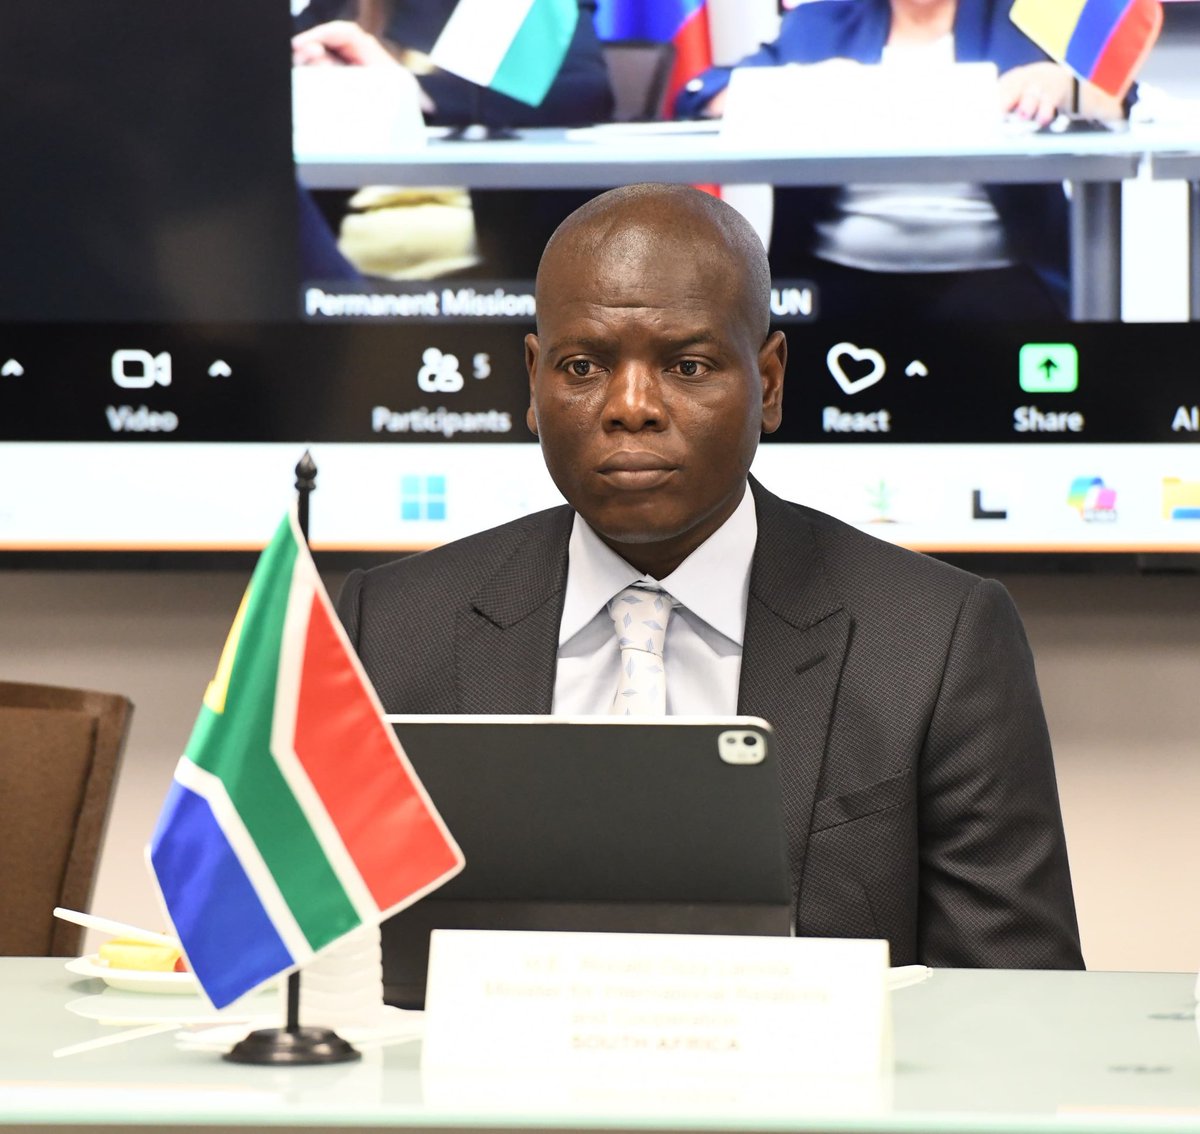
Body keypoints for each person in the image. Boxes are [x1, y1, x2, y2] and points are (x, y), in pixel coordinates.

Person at [337, 182, 1084, 970]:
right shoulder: (388, 629)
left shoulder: (937, 641)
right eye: (583, 365)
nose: (631, 407)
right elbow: (326, 973)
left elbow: (1016, 999)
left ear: (769, 382)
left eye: (687, 365)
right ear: (534, 381)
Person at [675, 0, 1128, 321]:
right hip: (835, 274)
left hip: (1001, 274)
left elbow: (1120, 100)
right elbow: (703, 95)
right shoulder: (823, 22)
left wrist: (1063, 84)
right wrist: (809, 87)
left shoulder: (1027, 20)